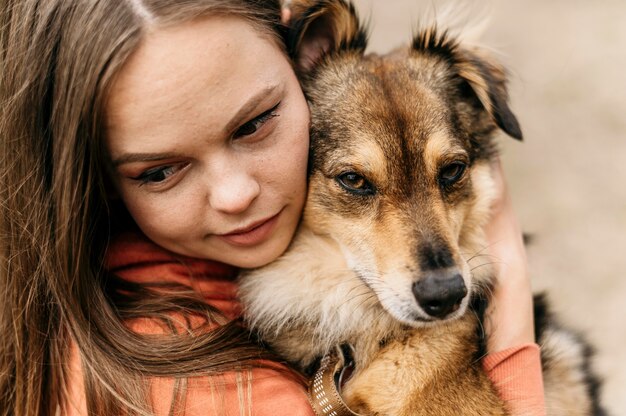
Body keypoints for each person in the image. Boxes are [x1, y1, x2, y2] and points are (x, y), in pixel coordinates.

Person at [0, 0, 544, 415]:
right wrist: (512, 298)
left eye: (255, 123)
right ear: (88, 175)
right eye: (160, 170)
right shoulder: (221, 392)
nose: (236, 195)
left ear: (292, 42)